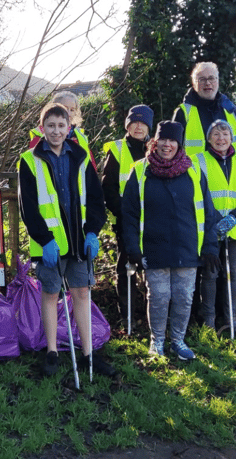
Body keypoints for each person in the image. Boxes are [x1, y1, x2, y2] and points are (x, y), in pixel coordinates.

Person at [19, 102, 115, 377]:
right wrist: (44, 238)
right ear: (42, 128)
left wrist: (93, 231)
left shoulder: (81, 157)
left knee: (81, 293)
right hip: (49, 244)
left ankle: (87, 354)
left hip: (78, 242)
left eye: (61, 126)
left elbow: (96, 200)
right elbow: (29, 206)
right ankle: (51, 352)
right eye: (51, 126)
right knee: (50, 294)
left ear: (69, 127)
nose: (56, 131)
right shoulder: (29, 160)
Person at [122, 121, 219, 359]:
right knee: (159, 297)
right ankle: (157, 342)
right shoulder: (140, 170)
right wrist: (132, 248)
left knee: (185, 297)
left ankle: (178, 340)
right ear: (154, 142)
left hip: (187, 247)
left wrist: (209, 246)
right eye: (163, 140)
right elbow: (129, 213)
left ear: (180, 144)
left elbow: (208, 212)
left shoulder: (194, 171)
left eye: (173, 140)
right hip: (154, 247)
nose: (167, 145)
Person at [193, 120, 236, 334]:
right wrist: (214, 222)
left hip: (235, 228)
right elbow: (196, 196)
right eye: (215, 134)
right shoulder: (198, 161)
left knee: (232, 275)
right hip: (209, 228)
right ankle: (209, 320)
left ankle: (232, 319)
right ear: (208, 138)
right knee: (210, 274)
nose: (221, 138)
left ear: (231, 138)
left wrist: (234, 217)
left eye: (225, 133)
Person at [102, 104, 154, 326]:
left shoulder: (156, 149)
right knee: (126, 268)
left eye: (143, 123)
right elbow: (108, 187)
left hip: (152, 221)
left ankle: (152, 314)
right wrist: (123, 214)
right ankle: (128, 316)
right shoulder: (116, 149)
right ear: (128, 125)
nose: (139, 127)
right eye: (135, 123)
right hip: (125, 221)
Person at [173, 62, 236, 156]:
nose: (207, 83)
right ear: (194, 83)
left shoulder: (231, 110)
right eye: (202, 79)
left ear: (218, 81)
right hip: (194, 170)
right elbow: (173, 149)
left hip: (229, 170)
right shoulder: (183, 113)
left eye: (211, 78)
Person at [29, 91, 97, 168]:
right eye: (64, 108)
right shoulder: (40, 134)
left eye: (72, 110)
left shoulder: (80, 136)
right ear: (53, 108)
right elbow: (31, 165)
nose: (68, 113)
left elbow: (91, 167)